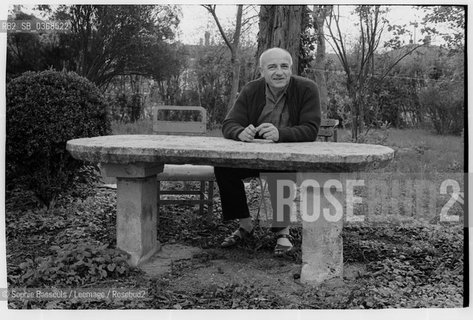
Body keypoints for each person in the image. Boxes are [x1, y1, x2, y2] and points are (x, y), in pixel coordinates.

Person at [214, 47, 321, 256]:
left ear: (291, 68)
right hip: (254, 156)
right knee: (224, 167)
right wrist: (240, 133)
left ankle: (283, 232)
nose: (279, 72)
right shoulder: (251, 89)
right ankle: (245, 224)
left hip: (289, 156)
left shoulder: (307, 88)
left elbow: (311, 129)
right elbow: (229, 123)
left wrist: (280, 134)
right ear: (262, 71)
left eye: (284, 66)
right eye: (272, 67)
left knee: (280, 170)